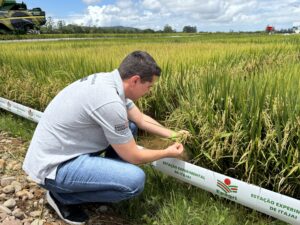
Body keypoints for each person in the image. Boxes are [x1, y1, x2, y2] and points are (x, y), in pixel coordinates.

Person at [23, 50, 186, 225]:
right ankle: (62, 197)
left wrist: (173, 134)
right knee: (134, 182)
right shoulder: (110, 101)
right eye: (149, 86)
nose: (149, 91)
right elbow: (134, 156)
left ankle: (105, 180)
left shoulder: (109, 82)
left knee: (129, 127)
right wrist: (166, 152)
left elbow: (139, 120)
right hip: (54, 167)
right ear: (135, 80)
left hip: (64, 150)